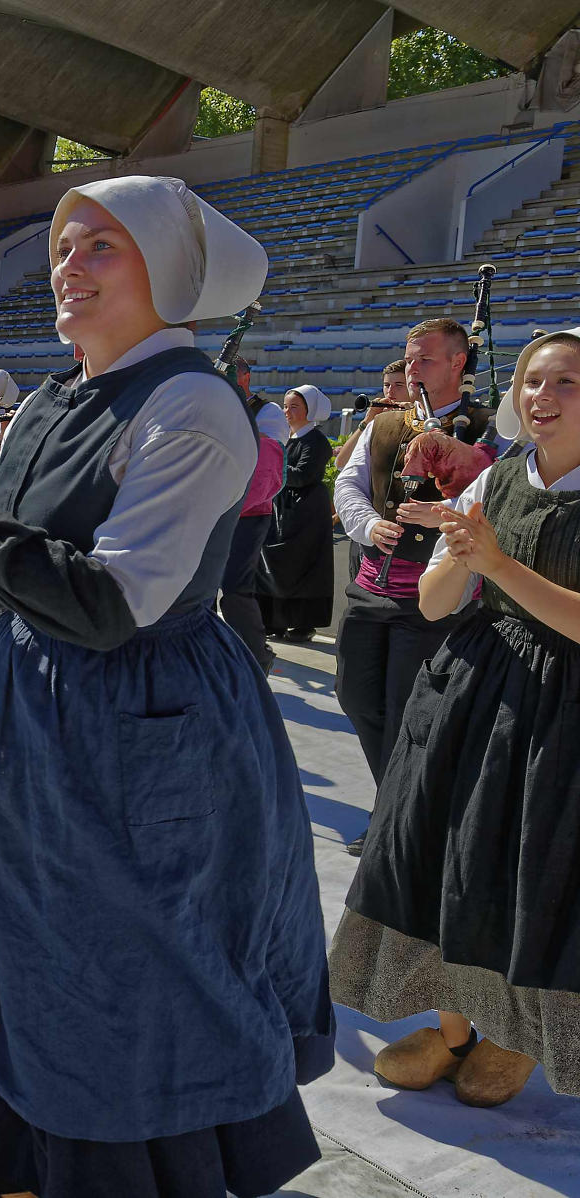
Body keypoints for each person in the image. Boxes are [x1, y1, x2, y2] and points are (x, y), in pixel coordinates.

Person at [0, 176, 332, 1198]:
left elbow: (111, 605)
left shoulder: (192, 403)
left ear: (169, 270)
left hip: (138, 734)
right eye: (65, 246)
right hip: (36, 711)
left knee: (115, 972)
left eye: (102, 245)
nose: (71, 264)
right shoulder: (51, 403)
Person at [329, 326, 580, 1108]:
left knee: (522, 870)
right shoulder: (496, 478)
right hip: (471, 686)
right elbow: (434, 603)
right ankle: (456, 1028)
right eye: (533, 382)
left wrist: (498, 563)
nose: (541, 397)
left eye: (565, 383)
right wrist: (457, 558)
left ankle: (512, 1036)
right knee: (434, 851)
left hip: (560, 708)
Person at [332, 319, 496, 855]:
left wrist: (440, 512)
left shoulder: (486, 429)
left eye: (424, 360)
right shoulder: (385, 426)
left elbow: (493, 505)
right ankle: (398, 806)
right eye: (407, 360)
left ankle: (399, 824)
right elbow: (350, 486)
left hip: (429, 597)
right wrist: (368, 525)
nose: (411, 370)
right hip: (368, 586)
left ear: (457, 363)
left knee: (408, 709)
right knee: (355, 697)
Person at [219, 357, 287, 671]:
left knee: (235, 588)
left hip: (248, 512)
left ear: (246, 377)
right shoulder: (214, 404)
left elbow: (268, 465)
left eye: (234, 373)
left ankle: (256, 655)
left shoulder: (268, 411)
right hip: (215, 508)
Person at [258, 384, 336, 640]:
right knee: (276, 565)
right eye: (285, 406)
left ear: (309, 410)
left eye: (294, 407)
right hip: (283, 506)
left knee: (302, 567)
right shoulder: (288, 439)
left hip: (306, 512)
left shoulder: (316, 441)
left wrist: (271, 469)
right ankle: (275, 620)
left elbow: (303, 475)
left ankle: (303, 623)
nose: (287, 411)